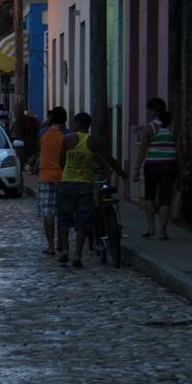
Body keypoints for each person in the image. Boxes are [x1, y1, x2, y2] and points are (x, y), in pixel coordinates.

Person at [57, 112, 128, 268]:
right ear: (88, 125)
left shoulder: (67, 139)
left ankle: (64, 251)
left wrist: (69, 171)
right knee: (83, 220)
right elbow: (109, 159)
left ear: (77, 124)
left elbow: (61, 162)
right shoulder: (93, 141)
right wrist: (123, 174)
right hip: (84, 184)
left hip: (68, 182)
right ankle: (77, 256)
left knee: (63, 217)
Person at [134, 97, 179, 240]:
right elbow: (178, 147)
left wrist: (136, 168)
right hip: (170, 164)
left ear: (153, 111)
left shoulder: (150, 128)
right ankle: (162, 231)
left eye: (149, 110)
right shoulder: (173, 126)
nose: (148, 112)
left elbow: (142, 150)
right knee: (166, 198)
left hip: (152, 165)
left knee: (150, 196)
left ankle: (151, 227)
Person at [36, 107, 69, 256]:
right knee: (62, 212)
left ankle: (50, 246)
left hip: (46, 175)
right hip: (63, 176)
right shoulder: (68, 134)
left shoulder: (43, 133)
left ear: (51, 119)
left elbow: (39, 149)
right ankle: (62, 245)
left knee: (48, 212)